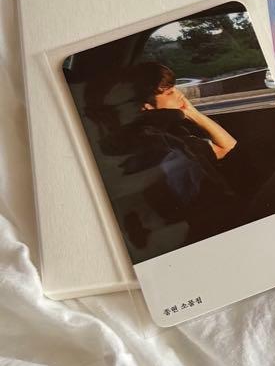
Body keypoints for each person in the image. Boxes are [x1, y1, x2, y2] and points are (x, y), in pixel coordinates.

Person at [86, 62, 241, 257]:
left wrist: (190, 112)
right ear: (146, 106)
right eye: (169, 93)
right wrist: (186, 113)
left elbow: (227, 147)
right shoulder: (158, 143)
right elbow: (227, 148)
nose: (180, 95)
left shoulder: (174, 135)